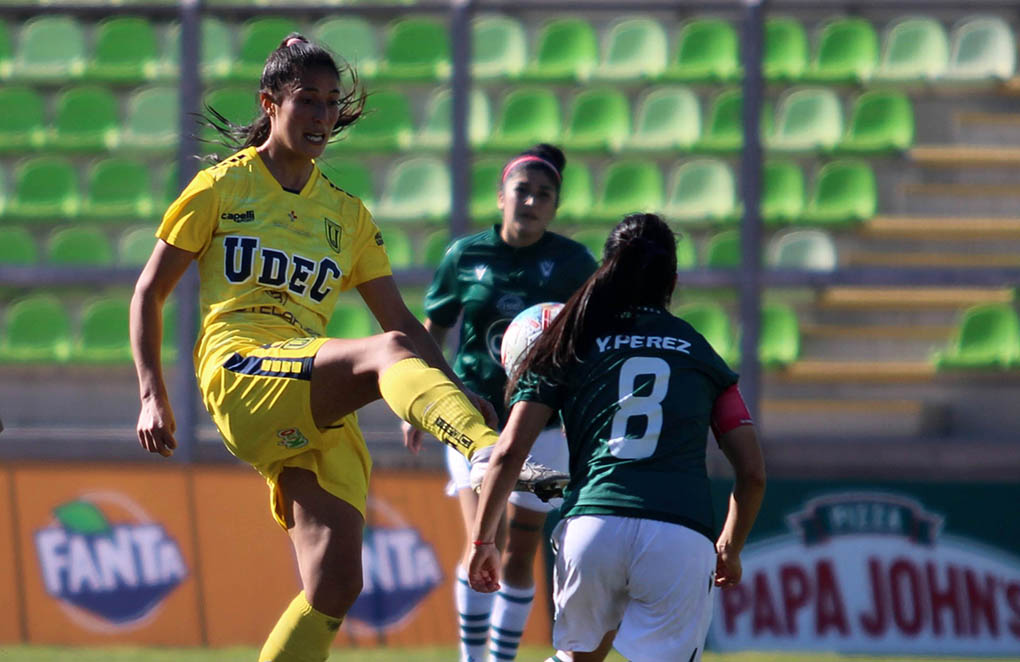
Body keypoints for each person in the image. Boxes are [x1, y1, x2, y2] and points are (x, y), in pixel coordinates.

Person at [130, 34, 525, 662]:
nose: (321, 116)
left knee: (337, 584)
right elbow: (148, 291)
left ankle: (476, 440)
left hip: (307, 389)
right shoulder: (219, 189)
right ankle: (486, 451)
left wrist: (451, 386)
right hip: (240, 368)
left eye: (331, 103)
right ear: (270, 102)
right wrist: (153, 394)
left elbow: (403, 320)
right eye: (306, 100)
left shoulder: (347, 214)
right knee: (385, 352)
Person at [467, 213, 767, 662]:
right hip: (679, 534)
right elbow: (752, 473)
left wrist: (483, 541)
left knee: (577, 659)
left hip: (592, 529)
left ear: (604, 270)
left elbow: (508, 451)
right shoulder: (700, 351)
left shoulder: (570, 340)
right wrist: (731, 546)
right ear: (674, 280)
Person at [403, 144, 598, 662]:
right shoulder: (465, 256)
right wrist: (422, 400)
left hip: (545, 424)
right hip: (474, 418)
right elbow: (433, 331)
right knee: (479, 538)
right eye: (522, 191)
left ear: (555, 206)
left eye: (544, 194)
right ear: (500, 196)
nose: (531, 201)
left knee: (519, 550)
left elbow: (597, 334)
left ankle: (500, 659)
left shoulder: (575, 263)